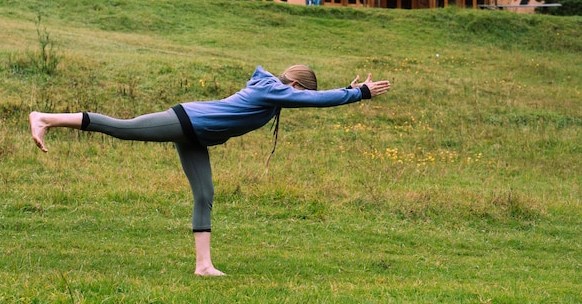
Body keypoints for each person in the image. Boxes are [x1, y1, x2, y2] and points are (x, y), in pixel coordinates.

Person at [29, 65, 391, 276]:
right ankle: (45, 118)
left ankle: (204, 266)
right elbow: (314, 99)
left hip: (196, 135)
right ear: (294, 86)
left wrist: (349, 89)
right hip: (186, 121)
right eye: (299, 94)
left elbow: (311, 98)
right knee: (122, 127)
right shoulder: (273, 91)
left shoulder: (273, 91)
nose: (298, 101)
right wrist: (358, 93)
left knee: (205, 195)